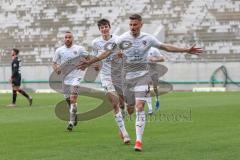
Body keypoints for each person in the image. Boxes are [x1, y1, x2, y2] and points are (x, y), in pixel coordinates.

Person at [79, 14, 202, 151]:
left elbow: (165, 47)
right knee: (130, 108)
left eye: (135, 25)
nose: (132, 27)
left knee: (139, 107)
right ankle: (126, 115)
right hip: (126, 78)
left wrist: (186, 50)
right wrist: (90, 62)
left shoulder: (148, 38)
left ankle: (138, 141)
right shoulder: (122, 38)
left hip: (143, 75)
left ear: (141, 25)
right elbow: (106, 53)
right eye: (130, 25)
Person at [91, 18, 130, 144]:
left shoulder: (117, 40)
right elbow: (95, 57)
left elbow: (126, 55)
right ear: (99, 30)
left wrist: (122, 55)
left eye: (105, 26)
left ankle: (121, 123)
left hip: (118, 74)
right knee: (114, 103)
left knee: (122, 104)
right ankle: (125, 134)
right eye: (101, 27)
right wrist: (96, 65)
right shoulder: (95, 42)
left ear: (109, 27)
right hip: (105, 75)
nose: (104, 29)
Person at [52, 31, 88, 131]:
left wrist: (85, 64)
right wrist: (56, 69)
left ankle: (71, 122)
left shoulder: (79, 49)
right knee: (69, 100)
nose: (68, 39)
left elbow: (88, 58)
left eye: (70, 37)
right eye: (66, 37)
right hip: (65, 78)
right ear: (64, 39)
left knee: (73, 99)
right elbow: (54, 63)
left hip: (76, 77)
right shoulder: (59, 50)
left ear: (73, 38)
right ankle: (74, 114)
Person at [145, 47, 165, 114]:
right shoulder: (139, 48)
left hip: (153, 71)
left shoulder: (154, 50)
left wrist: (155, 59)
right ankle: (150, 109)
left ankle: (157, 99)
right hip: (144, 71)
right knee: (146, 89)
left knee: (155, 88)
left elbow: (162, 59)